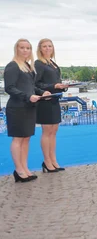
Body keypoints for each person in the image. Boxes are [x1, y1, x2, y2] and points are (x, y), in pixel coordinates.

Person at [4, 39, 51, 183]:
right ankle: (18, 170)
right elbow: (9, 88)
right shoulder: (12, 66)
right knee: (18, 139)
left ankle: (25, 168)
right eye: (22, 48)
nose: (25, 50)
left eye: (28, 48)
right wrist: (28, 97)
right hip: (17, 108)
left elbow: (31, 87)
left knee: (26, 139)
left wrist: (42, 92)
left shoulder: (28, 67)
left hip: (29, 107)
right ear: (16, 49)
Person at [35, 39, 69, 172]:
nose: (48, 48)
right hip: (45, 101)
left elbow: (55, 82)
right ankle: (47, 161)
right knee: (47, 132)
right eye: (45, 46)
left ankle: (53, 160)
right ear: (40, 49)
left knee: (54, 132)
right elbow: (36, 84)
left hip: (55, 100)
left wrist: (62, 87)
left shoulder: (53, 63)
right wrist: (52, 86)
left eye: (50, 46)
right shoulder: (38, 63)